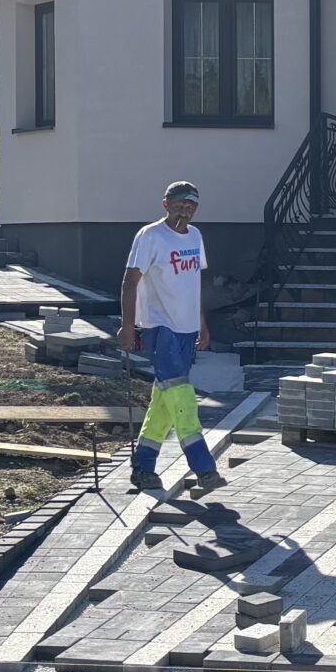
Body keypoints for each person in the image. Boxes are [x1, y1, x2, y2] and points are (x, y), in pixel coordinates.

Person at [119, 180, 221, 494]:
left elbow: (193, 283)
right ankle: (204, 468)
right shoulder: (150, 236)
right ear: (166, 204)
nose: (184, 211)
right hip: (159, 328)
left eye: (190, 207)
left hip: (186, 329)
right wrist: (127, 326)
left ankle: (143, 468)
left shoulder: (195, 236)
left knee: (165, 402)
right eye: (179, 205)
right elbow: (130, 282)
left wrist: (202, 323)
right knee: (183, 397)